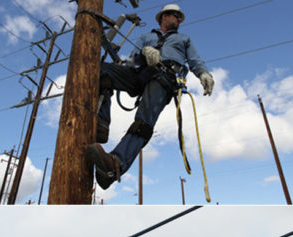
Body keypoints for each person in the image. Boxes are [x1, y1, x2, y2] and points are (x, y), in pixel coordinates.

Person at [87, 4, 215, 190]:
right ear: (164, 17)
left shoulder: (183, 39)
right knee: (101, 71)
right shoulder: (146, 37)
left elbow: (195, 60)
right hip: (141, 73)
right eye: (176, 16)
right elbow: (132, 60)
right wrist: (144, 53)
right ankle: (102, 123)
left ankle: (114, 165)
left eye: (179, 17)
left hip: (165, 77)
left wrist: (204, 73)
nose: (179, 20)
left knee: (143, 122)